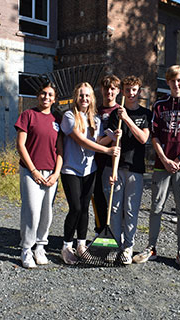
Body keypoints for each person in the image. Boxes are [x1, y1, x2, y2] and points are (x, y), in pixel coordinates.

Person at [132, 65, 180, 272]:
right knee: (156, 207)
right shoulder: (160, 105)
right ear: (168, 82)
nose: (176, 84)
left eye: (179, 80)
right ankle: (151, 249)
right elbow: (154, 135)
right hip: (161, 165)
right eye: (172, 80)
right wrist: (164, 158)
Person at [60, 82, 120, 265]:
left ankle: (81, 244)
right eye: (81, 95)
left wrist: (112, 136)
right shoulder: (69, 116)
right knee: (75, 208)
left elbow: (98, 141)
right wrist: (107, 151)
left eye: (87, 95)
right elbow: (82, 141)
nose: (84, 99)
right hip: (71, 169)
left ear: (91, 98)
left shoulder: (95, 119)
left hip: (89, 169)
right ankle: (66, 246)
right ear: (75, 97)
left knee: (85, 208)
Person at [14, 81, 63, 269]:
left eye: (50, 95)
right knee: (32, 211)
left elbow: (60, 150)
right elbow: (20, 145)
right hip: (30, 171)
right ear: (38, 96)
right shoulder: (28, 115)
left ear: (54, 99)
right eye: (43, 94)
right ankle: (26, 249)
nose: (46, 97)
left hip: (51, 173)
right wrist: (33, 170)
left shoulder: (57, 119)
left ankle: (40, 247)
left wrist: (56, 173)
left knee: (47, 212)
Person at [103, 76, 151, 265]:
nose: (130, 93)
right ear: (122, 91)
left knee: (131, 210)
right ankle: (115, 245)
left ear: (139, 92)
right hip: (115, 166)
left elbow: (143, 139)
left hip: (135, 169)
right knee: (114, 209)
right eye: (127, 89)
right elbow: (111, 142)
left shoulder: (145, 114)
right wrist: (116, 135)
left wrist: (128, 120)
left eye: (134, 90)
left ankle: (128, 247)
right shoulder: (116, 114)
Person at [93, 75, 121, 234]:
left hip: (112, 161)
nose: (109, 91)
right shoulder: (95, 111)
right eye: (106, 88)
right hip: (95, 160)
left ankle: (114, 233)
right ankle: (99, 231)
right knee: (98, 198)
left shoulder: (120, 111)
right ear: (101, 90)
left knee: (113, 200)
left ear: (117, 91)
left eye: (112, 88)